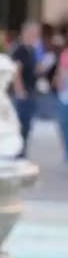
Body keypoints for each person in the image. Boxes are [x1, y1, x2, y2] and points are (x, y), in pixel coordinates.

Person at [11, 20, 42, 156]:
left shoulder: (33, 50)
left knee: (28, 125)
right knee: (21, 125)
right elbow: (16, 72)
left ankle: (22, 152)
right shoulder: (20, 50)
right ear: (26, 33)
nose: (36, 36)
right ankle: (18, 153)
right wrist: (19, 91)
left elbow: (34, 69)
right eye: (34, 33)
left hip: (32, 90)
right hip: (23, 94)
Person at [56, 35, 68, 163]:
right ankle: (67, 150)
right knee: (64, 124)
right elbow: (61, 72)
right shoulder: (65, 54)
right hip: (65, 95)